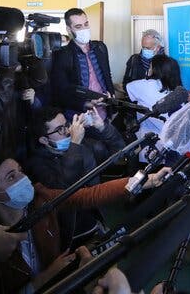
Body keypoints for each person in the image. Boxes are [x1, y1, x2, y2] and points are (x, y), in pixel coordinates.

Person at [0, 157, 169, 293]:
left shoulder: (41, 198)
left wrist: (144, 181)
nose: (23, 178)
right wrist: (43, 278)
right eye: (11, 177)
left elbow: (88, 195)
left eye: (20, 171)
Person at [24, 106, 123, 249]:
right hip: (69, 235)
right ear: (44, 140)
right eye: (59, 129)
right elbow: (63, 190)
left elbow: (120, 155)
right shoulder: (37, 165)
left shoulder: (83, 148)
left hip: (95, 220)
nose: (68, 132)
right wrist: (74, 144)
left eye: (67, 125)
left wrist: (103, 128)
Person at [51, 7, 115, 117]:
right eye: (78, 27)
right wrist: (86, 104)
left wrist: (112, 100)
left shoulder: (100, 47)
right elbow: (61, 91)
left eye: (86, 24)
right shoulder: (62, 55)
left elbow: (107, 76)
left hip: (105, 110)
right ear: (69, 29)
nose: (84, 29)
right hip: (80, 115)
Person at [126, 54, 183, 164]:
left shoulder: (145, 85)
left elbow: (127, 87)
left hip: (150, 149)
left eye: (151, 67)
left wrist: (146, 77)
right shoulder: (179, 92)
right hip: (175, 150)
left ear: (155, 70)